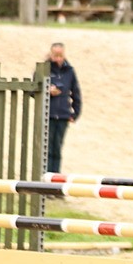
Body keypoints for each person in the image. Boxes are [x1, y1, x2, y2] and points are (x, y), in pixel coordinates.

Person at [45, 42, 82, 174]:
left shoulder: (70, 71)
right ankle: (45, 182)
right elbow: (33, 90)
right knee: (46, 149)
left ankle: (55, 182)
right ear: (51, 54)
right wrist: (47, 90)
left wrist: (75, 113)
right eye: (55, 55)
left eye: (60, 55)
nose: (58, 59)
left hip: (63, 116)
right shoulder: (44, 69)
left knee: (57, 149)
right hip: (47, 115)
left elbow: (76, 92)